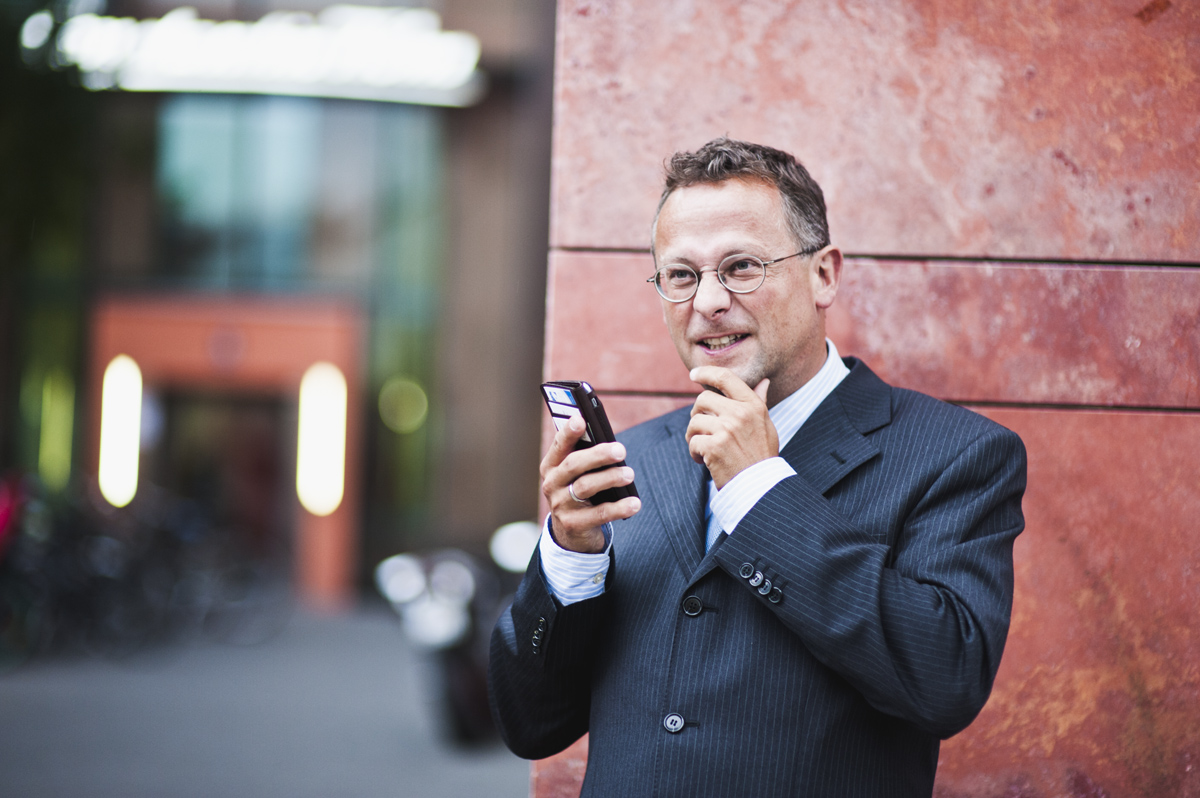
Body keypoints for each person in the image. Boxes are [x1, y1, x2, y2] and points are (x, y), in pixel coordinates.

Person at [489, 138, 1027, 797]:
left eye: (741, 267)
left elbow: (945, 680)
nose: (708, 301)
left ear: (824, 274)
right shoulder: (631, 462)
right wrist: (571, 558)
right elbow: (529, 726)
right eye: (681, 275)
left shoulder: (956, 454)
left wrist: (760, 490)